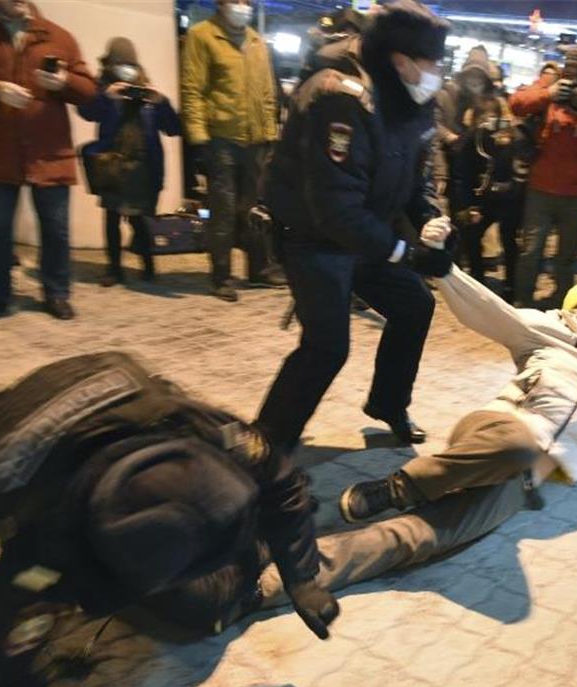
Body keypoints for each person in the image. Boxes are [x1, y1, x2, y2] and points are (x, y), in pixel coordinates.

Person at [282, 264, 577, 598]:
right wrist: (444, 270)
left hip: (522, 475)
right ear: (573, 312)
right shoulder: (545, 331)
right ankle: (397, 487)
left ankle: (278, 583)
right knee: (523, 442)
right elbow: (489, 311)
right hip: (498, 430)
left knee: (422, 538)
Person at [0, 352, 339, 687]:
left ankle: (247, 558)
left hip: (103, 388)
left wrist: (302, 576)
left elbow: (279, 479)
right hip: (11, 448)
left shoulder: (197, 428)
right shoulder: (42, 559)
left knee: (205, 600)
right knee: (199, 613)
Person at [257, 0, 451, 452]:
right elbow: (334, 208)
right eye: (432, 62)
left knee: (414, 305)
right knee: (327, 346)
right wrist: (404, 252)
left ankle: (388, 402)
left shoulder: (409, 97)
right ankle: (266, 445)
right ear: (401, 59)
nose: (438, 72)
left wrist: (431, 219)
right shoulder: (341, 98)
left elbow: (417, 173)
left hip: (366, 234)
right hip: (313, 238)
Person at [0, 0, 97, 322]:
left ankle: (57, 293)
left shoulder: (56, 35)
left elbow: (90, 91)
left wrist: (64, 83)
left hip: (49, 151)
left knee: (55, 229)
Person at [181, 0, 285, 302]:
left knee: (251, 209)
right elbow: (192, 89)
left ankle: (258, 269)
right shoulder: (202, 36)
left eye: (246, 2)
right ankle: (221, 275)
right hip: (220, 139)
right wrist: (199, 137)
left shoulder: (256, 41)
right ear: (221, 4)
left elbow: (267, 92)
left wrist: (269, 132)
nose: (242, 6)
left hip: (255, 140)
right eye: (235, 1)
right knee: (224, 210)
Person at [510, 45, 577, 308]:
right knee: (530, 251)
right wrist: (549, 93)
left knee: (567, 256)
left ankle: (563, 304)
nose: (571, 69)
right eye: (568, 63)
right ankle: (522, 302)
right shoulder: (552, 82)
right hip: (541, 187)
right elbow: (517, 104)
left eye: (576, 64)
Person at [78, 38, 181, 287]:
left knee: (139, 219)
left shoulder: (148, 93)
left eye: (130, 64)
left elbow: (173, 128)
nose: (126, 69)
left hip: (143, 167)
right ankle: (114, 269)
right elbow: (87, 112)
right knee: (112, 218)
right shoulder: (104, 89)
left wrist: (162, 102)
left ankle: (148, 266)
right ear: (110, 65)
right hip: (112, 164)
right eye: (120, 64)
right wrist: (106, 97)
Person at [449, 94, 523, 299]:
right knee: (470, 232)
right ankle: (477, 276)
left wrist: (506, 143)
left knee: (509, 239)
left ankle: (511, 285)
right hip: (481, 199)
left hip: (508, 199)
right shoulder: (472, 139)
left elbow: (521, 168)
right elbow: (462, 174)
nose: (487, 122)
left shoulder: (513, 137)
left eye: (492, 117)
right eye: (483, 117)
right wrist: (467, 206)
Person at [433, 45, 495, 204]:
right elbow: (432, 126)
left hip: (470, 176)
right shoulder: (445, 95)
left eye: (479, 77)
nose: (474, 81)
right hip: (446, 166)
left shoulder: (488, 105)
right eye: (471, 75)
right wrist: (449, 137)